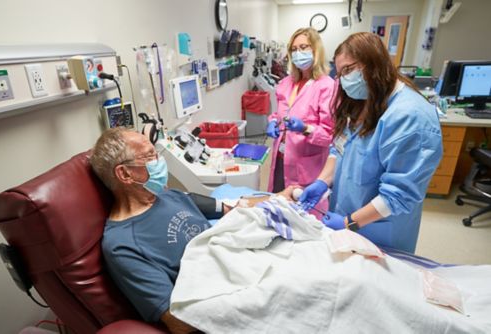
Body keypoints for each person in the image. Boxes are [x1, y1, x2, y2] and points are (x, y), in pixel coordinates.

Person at [89, 127, 295, 334]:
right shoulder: (123, 245)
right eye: (150, 155)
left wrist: (279, 198)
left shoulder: (171, 196)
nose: (159, 161)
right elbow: (178, 321)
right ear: (124, 174)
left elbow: (236, 209)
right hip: (236, 300)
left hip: (252, 266)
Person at [299, 32, 443, 253]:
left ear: (374, 63)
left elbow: (398, 195)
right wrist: (321, 182)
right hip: (348, 215)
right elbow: (339, 148)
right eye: (339, 73)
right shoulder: (362, 101)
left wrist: (349, 223)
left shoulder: (410, 117)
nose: (344, 79)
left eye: (348, 70)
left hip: (381, 228)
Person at [266, 28, 335, 212]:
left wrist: (305, 128)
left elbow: (330, 135)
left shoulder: (326, 86)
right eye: (294, 49)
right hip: (281, 159)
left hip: (306, 166)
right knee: (278, 207)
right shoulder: (286, 82)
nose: (298, 53)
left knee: (305, 214)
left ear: (315, 50)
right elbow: (278, 113)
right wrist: (272, 121)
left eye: (303, 47)